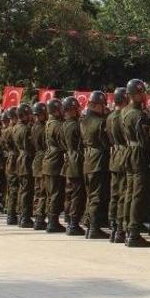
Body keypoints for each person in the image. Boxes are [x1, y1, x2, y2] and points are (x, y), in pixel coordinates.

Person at [122, 79, 150, 248]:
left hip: (128, 152)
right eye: (142, 93)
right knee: (137, 193)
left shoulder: (125, 112)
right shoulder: (139, 115)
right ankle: (134, 232)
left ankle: (127, 228)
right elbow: (147, 140)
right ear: (137, 94)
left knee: (129, 191)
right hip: (138, 154)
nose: (144, 96)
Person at [81, 91, 111, 239]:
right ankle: (94, 227)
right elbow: (106, 142)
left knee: (90, 193)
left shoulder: (84, 120)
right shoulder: (100, 122)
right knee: (97, 195)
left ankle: (89, 223)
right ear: (98, 105)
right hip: (98, 159)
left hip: (88, 159)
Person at [107, 88, 130, 244]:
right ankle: (120, 229)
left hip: (114, 156)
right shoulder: (123, 116)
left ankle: (113, 227)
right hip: (123, 156)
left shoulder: (109, 117)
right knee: (122, 194)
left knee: (114, 195)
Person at [61, 97, 86, 236]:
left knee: (69, 193)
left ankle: (70, 220)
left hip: (69, 159)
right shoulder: (76, 125)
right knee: (77, 193)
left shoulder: (63, 125)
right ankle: (74, 224)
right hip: (76, 160)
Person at [43, 98, 67, 233]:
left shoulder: (49, 123)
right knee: (55, 193)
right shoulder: (57, 125)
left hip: (50, 160)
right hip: (55, 161)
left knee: (51, 192)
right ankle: (53, 222)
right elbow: (63, 143)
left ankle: (52, 220)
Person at [30, 102, 49, 230]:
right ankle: (40, 218)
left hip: (37, 159)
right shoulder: (43, 127)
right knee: (42, 191)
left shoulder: (33, 127)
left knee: (38, 190)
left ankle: (37, 215)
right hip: (42, 159)